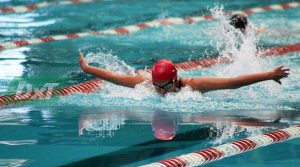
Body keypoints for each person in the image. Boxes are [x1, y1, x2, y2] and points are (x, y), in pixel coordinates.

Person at [79, 53, 289, 95]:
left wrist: (269, 74)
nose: (161, 91)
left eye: (166, 86)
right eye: (157, 86)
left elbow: (232, 83)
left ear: (175, 80)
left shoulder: (194, 85)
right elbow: (115, 78)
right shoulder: (145, 83)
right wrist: (88, 69)